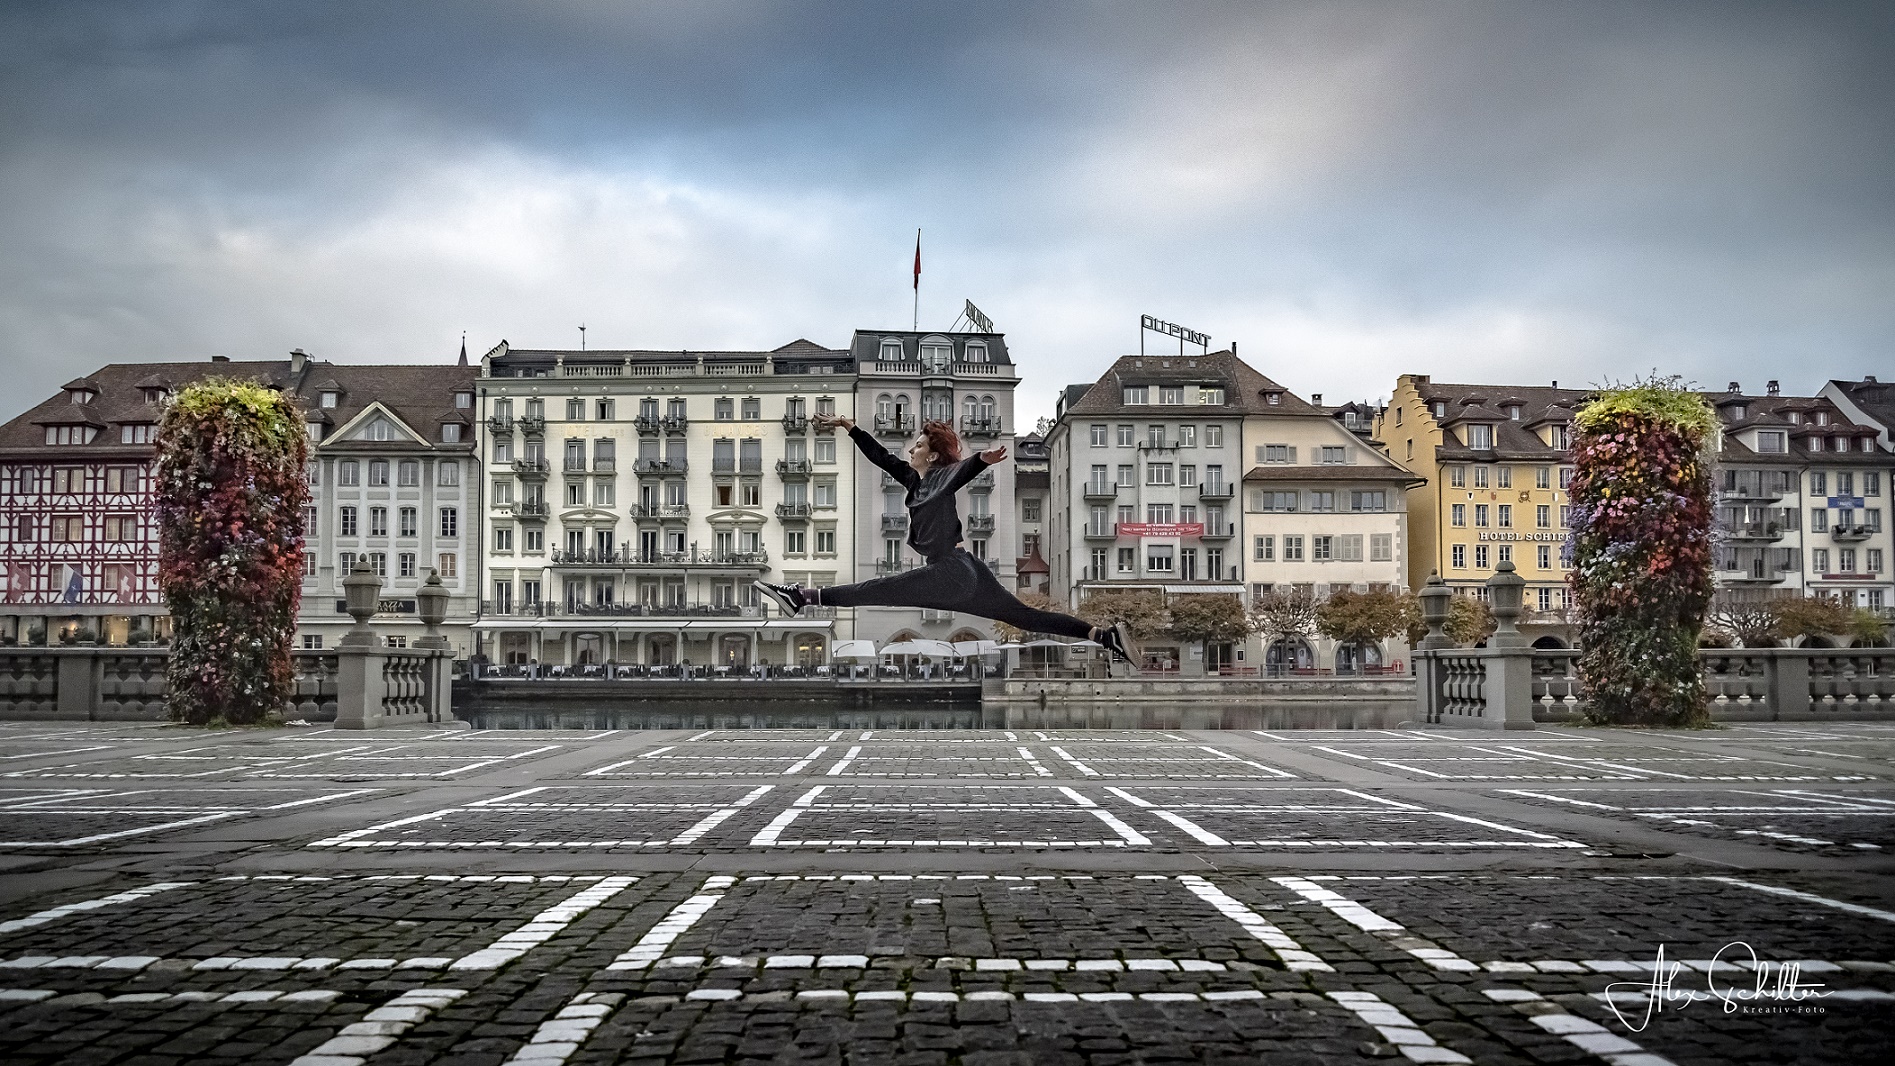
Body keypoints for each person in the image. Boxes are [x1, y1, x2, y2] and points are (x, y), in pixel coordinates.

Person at [754, 415, 1137, 663]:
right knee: (1024, 616)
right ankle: (1104, 636)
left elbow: (960, 473)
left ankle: (801, 596)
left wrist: (981, 461)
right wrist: (848, 426)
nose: (910, 449)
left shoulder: (941, 477)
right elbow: (881, 458)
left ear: (933, 457)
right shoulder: (912, 479)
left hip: (952, 571)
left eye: (918, 445)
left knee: (881, 589)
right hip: (965, 569)